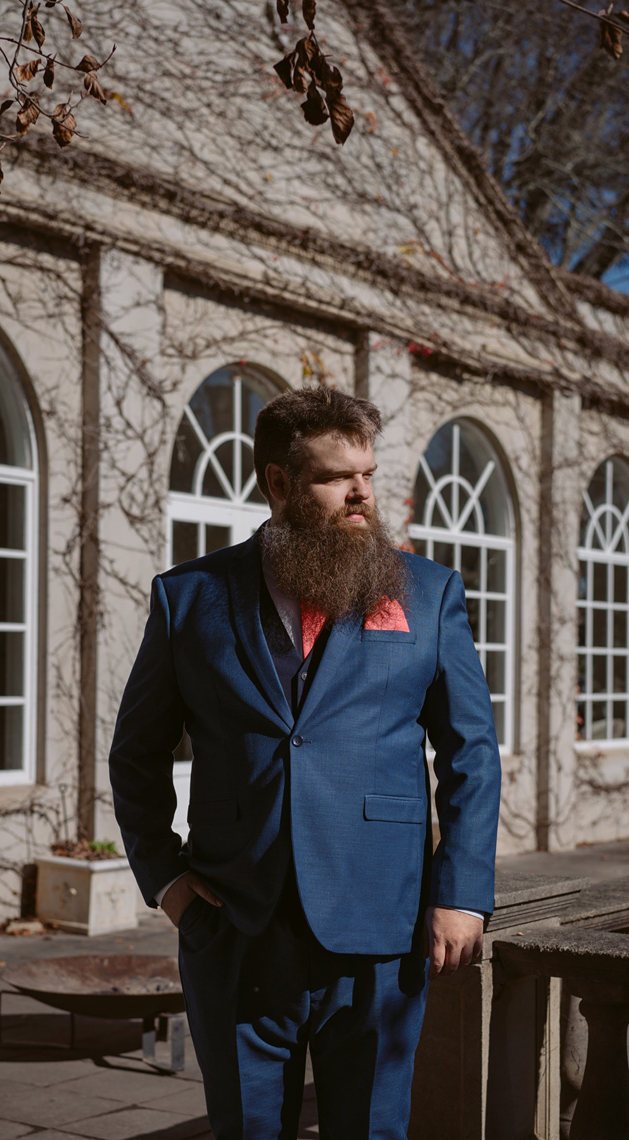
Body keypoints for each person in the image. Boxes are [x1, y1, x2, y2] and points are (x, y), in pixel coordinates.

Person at [109, 386, 501, 1140]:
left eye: (369, 473)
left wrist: (463, 891)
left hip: (380, 922)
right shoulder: (188, 598)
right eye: (335, 477)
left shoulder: (428, 591)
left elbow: (470, 751)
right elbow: (136, 753)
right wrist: (166, 881)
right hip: (234, 924)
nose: (361, 494)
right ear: (279, 483)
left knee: (371, 1129)